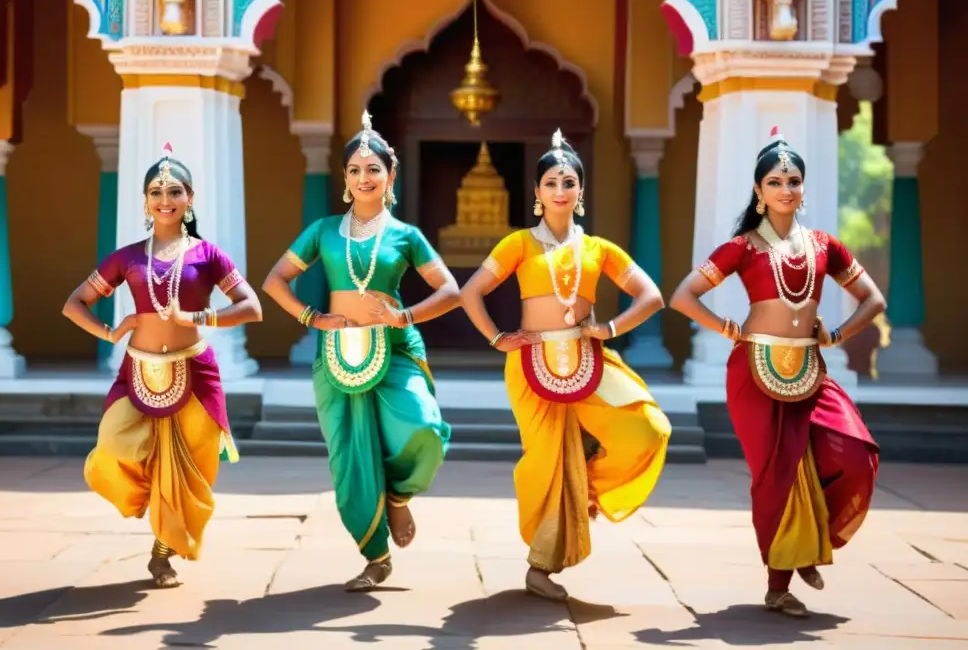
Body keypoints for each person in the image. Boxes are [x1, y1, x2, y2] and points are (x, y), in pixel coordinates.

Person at [669, 128, 884, 617]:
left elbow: (874, 300)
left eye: (793, 180)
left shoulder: (826, 246)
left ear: (802, 189)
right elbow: (682, 296)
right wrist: (726, 328)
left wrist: (838, 334)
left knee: (855, 454)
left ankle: (809, 541)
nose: (785, 188)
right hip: (754, 370)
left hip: (810, 366)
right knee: (777, 475)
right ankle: (778, 583)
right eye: (774, 181)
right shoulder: (741, 248)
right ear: (758, 192)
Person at [460, 129, 672, 602]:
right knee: (545, 462)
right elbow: (469, 292)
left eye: (569, 182)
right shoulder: (518, 244)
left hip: (588, 356)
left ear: (581, 191)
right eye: (551, 183)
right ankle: (541, 567)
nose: (560, 190)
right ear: (537, 193)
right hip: (530, 362)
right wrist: (497, 337)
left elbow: (652, 296)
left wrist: (610, 329)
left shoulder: (599, 248)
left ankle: (589, 489)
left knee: (649, 428)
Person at [263, 111, 459, 592]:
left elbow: (451, 290)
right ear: (345, 179)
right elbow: (274, 281)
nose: (364, 177)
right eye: (354, 170)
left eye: (373, 169)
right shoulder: (324, 230)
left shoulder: (406, 236)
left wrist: (405, 315)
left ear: (390, 176)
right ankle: (375, 556)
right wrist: (312, 318)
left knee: (425, 428)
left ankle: (399, 497)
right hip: (337, 354)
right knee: (349, 456)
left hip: (394, 348)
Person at [62, 144, 263, 588]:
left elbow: (252, 307)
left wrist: (199, 317)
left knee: (192, 467)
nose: (165, 199)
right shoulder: (128, 256)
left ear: (190, 199)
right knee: (112, 448)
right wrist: (110, 333)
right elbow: (74, 304)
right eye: (156, 191)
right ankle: (145, 499)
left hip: (195, 372)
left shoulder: (208, 254)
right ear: (145, 200)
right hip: (137, 370)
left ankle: (162, 552)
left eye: (174, 191)